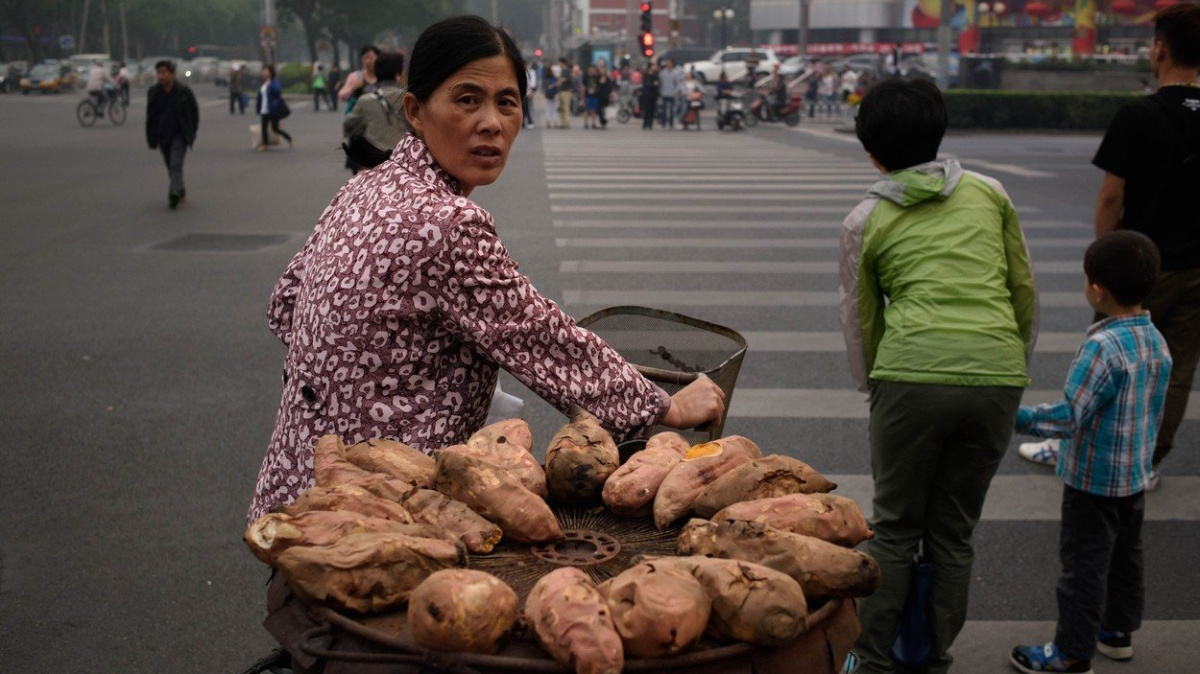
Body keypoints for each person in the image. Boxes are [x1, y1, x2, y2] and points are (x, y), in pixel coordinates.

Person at [248, 14, 726, 526]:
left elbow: (285, 307)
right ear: (415, 110)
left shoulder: (365, 187)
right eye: (467, 99)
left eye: (507, 102)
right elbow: (538, 337)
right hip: (376, 511)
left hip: (293, 487)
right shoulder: (448, 222)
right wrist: (664, 408)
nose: (492, 123)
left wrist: (380, 368)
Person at [838, 79, 1037, 674]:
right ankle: (933, 656)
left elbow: (860, 318)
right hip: (998, 374)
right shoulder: (990, 192)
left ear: (870, 149)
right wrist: (1008, 362)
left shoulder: (865, 216)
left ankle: (872, 660)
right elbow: (1021, 288)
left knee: (896, 527)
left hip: (911, 376)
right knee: (954, 531)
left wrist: (877, 384)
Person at [1019, 4, 1200, 491]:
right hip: (1197, 268)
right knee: (1176, 367)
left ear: (1159, 48)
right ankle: (1148, 460)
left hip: (1140, 265)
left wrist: (1103, 258)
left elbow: (1111, 195)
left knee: (1104, 358)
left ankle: (1071, 441)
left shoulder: (1139, 114)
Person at [1010, 231, 1171, 674]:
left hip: (1092, 481)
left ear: (1097, 290)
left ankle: (1070, 653)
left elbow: (1068, 417)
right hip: (1133, 475)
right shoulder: (1156, 340)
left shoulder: (1101, 347)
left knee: (1083, 568)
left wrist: (1016, 417)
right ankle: (1117, 633)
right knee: (1125, 557)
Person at [342, 52, 410, 173]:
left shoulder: (365, 100)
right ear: (398, 75)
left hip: (373, 166)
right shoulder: (409, 100)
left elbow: (349, 126)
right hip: (406, 163)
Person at [145, 60, 199, 210]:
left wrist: (192, 131)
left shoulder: (183, 91)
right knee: (171, 165)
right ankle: (179, 188)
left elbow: (194, 112)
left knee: (175, 163)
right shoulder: (154, 93)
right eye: (159, 73)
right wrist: (151, 137)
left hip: (180, 135)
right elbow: (150, 117)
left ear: (172, 74)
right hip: (163, 135)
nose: (161, 76)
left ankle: (174, 191)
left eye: (164, 73)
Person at [255, 64, 293, 151]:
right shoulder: (263, 82)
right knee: (264, 127)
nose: (264, 73)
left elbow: (278, 91)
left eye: (266, 71)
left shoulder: (274, 82)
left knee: (275, 128)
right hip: (264, 108)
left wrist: (269, 85)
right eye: (263, 71)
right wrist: (258, 107)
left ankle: (289, 138)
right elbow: (260, 96)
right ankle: (265, 145)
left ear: (270, 72)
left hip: (273, 109)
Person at [338, 45, 381, 113]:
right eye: (365, 58)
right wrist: (353, 89)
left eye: (371, 58)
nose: (368, 61)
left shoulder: (384, 76)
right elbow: (342, 96)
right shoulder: (355, 76)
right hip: (359, 117)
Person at [658, 58, 680, 128]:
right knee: (663, 108)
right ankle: (663, 122)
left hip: (672, 93)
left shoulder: (675, 73)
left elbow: (677, 84)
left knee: (672, 109)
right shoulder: (663, 72)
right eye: (667, 63)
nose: (668, 64)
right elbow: (660, 82)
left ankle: (671, 123)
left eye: (670, 63)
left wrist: (675, 92)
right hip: (664, 92)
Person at [640, 62, 660, 130]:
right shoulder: (646, 75)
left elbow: (657, 85)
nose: (654, 67)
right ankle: (645, 123)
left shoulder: (655, 76)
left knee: (652, 110)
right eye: (653, 66)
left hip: (653, 95)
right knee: (646, 110)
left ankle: (650, 124)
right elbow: (646, 85)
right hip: (646, 95)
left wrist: (654, 85)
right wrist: (653, 84)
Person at [542, 62, 560, 128]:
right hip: (554, 94)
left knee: (548, 108)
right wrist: (555, 84)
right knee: (554, 108)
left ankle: (548, 121)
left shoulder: (545, 77)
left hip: (548, 94)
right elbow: (555, 85)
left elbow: (545, 86)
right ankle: (554, 122)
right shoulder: (553, 78)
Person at [583, 64, 600, 129]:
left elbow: (599, 86)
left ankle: (593, 123)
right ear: (588, 70)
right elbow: (583, 87)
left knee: (594, 110)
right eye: (591, 70)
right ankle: (586, 123)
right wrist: (582, 97)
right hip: (587, 95)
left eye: (593, 70)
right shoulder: (586, 77)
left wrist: (596, 89)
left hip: (595, 96)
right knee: (587, 110)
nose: (592, 71)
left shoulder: (597, 77)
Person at [523, 59, 539, 129]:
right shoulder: (520, 72)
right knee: (523, 107)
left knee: (527, 107)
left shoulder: (531, 72)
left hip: (528, 92)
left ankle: (529, 121)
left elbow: (533, 83)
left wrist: (531, 92)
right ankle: (524, 122)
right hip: (522, 92)